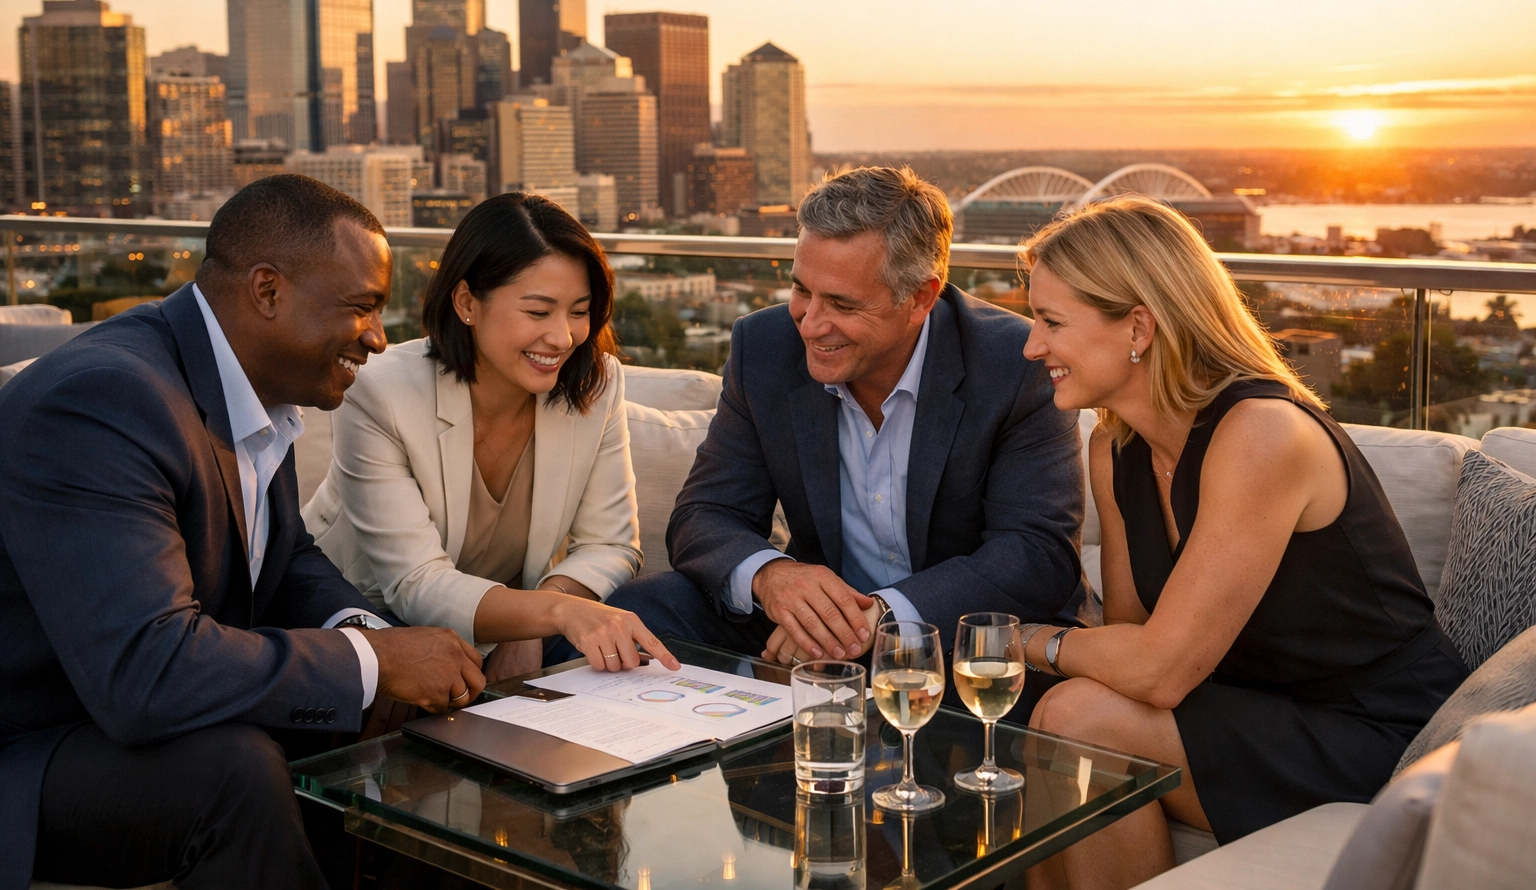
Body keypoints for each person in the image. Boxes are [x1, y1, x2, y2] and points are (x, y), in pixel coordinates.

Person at [0, 175, 489, 890]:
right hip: (35, 745)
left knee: (393, 730)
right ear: (267, 291)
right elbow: (148, 671)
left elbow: (283, 559)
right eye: (362, 308)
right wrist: (373, 665)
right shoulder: (104, 400)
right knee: (237, 773)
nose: (380, 339)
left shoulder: (249, 385)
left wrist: (375, 643)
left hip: (127, 718)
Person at [1016, 196, 1468, 890]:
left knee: (1078, 718)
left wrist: (1020, 642)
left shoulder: (1260, 434)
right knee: (1065, 720)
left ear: (1138, 325)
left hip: (1381, 736)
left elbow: (1157, 671)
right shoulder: (1115, 446)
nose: (1031, 345)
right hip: (1256, 712)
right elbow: (1129, 644)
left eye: (1051, 322)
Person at [603, 165, 1087, 673]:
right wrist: (774, 579)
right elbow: (704, 514)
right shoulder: (764, 347)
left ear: (921, 297)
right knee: (634, 613)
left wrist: (876, 620)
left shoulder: (1015, 361)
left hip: (962, 637)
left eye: (841, 303)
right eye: (801, 290)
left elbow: (1035, 553)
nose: (810, 323)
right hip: (812, 624)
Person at [304, 193, 676, 679]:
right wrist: (545, 617)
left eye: (579, 311)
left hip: (510, 617)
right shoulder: (380, 394)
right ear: (467, 304)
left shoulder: (596, 383)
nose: (563, 337)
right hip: (366, 619)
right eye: (539, 312)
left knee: (660, 612)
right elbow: (415, 582)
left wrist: (538, 615)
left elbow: (613, 544)